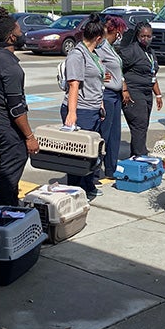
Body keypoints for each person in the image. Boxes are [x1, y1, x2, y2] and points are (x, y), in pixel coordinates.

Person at [0, 4, 40, 206]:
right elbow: (16, 108)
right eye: (19, 30)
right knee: (11, 166)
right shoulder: (10, 67)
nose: (22, 33)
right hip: (7, 123)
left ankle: (9, 204)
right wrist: (29, 137)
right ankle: (7, 211)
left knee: (9, 165)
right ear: (10, 37)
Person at [61, 13, 106, 199]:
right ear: (98, 38)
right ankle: (75, 191)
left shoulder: (93, 54)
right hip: (80, 109)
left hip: (93, 108)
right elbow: (74, 84)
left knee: (91, 153)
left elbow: (96, 81)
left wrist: (100, 103)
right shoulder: (77, 56)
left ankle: (88, 186)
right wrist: (72, 113)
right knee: (78, 155)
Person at [120, 21, 163, 157]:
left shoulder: (150, 52)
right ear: (137, 36)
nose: (146, 39)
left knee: (143, 125)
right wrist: (124, 89)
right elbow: (116, 69)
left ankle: (137, 153)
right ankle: (140, 154)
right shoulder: (130, 51)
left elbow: (152, 74)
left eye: (149, 36)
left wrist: (158, 94)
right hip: (134, 92)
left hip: (146, 92)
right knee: (139, 124)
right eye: (143, 36)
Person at [95, 15, 128, 179]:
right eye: (119, 33)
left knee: (115, 135)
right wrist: (100, 76)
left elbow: (118, 70)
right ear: (113, 31)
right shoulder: (100, 48)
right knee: (104, 135)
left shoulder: (110, 48)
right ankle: (94, 171)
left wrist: (123, 86)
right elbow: (92, 67)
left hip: (115, 95)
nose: (120, 37)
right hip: (106, 95)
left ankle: (111, 169)